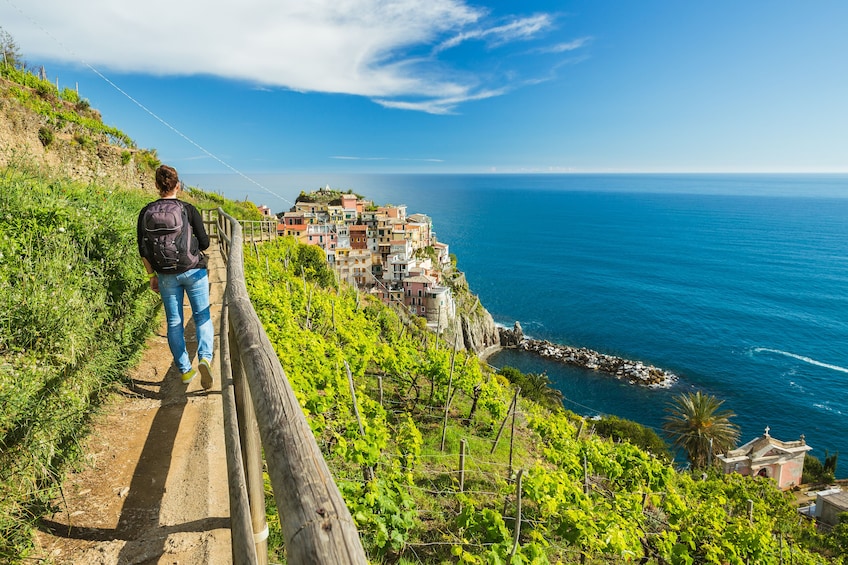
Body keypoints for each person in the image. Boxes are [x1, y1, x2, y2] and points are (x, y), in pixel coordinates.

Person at [137, 165, 214, 388]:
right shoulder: (188, 209)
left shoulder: (146, 212)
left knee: (174, 322)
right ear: (178, 185)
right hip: (194, 270)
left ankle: (184, 369)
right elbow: (206, 243)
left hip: (165, 275)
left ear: (156, 186)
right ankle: (206, 358)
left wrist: (151, 275)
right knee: (202, 317)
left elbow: (143, 250)